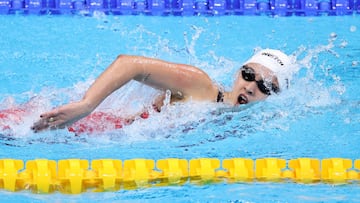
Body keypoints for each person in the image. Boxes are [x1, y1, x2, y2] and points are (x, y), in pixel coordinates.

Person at [30, 48, 293, 133]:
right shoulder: (202, 87)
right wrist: (85, 106)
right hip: (87, 129)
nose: (250, 86)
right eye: (248, 75)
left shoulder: (249, 124)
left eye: (266, 86)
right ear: (238, 73)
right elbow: (130, 64)